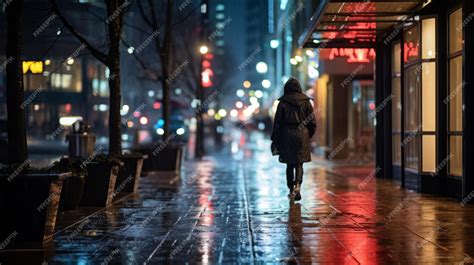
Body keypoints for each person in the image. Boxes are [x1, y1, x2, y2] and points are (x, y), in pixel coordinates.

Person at [271, 78, 316, 201]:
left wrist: (275, 138)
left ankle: (291, 189)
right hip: (302, 134)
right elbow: (312, 122)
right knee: (299, 163)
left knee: (289, 164)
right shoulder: (306, 102)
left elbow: (278, 123)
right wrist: (308, 135)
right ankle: (298, 186)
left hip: (287, 134)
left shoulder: (283, 103)